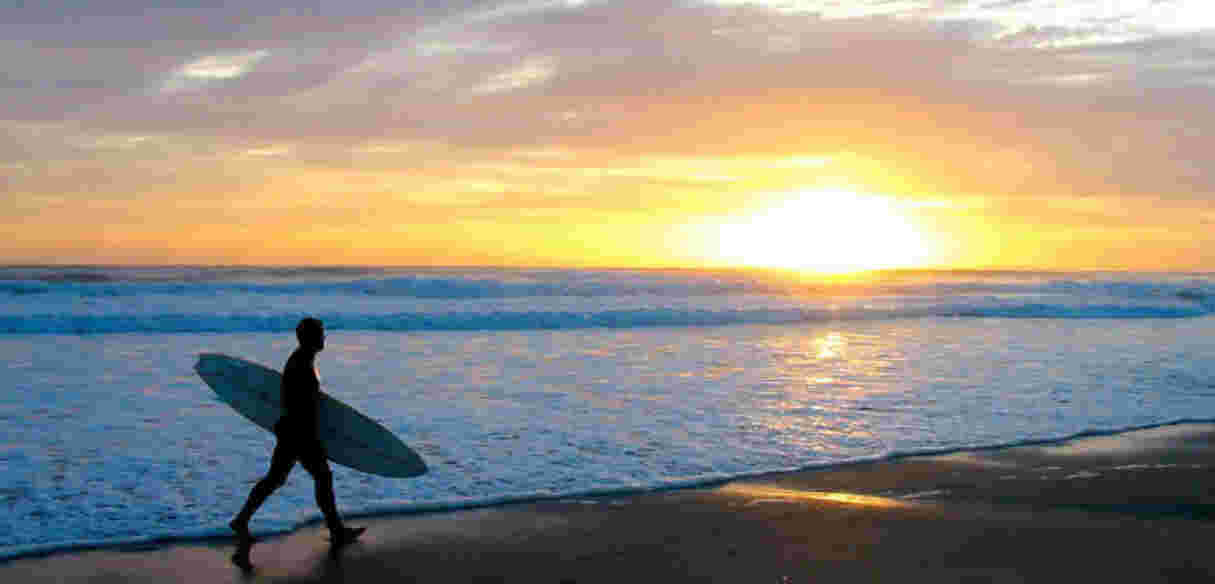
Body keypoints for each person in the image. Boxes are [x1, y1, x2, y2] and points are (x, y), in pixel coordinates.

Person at [229, 317, 364, 553]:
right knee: (321, 477)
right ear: (311, 338)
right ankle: (336, 530)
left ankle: (241, 520)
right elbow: (299, 405)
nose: (324, 338)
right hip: (299, 432)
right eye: (321, 333)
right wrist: (310, 437)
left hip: (292, 431)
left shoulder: (302, 359)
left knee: (276, 479)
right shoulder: (300, 363)